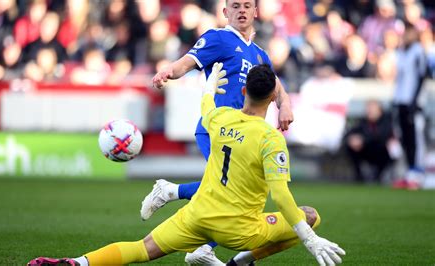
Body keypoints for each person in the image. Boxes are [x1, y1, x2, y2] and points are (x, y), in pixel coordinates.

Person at [27, 63, 345, 266]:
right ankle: (240, 263)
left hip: (196, 217)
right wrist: (309, 239)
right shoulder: (271, 139)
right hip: (240, 232)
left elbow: (207, 104)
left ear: (244, 91)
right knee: (311, 216)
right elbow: (282, 197)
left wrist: (208, 86)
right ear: (274, 95)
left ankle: (76, 263)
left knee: (141, 249)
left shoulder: (221, 117)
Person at [143, 0, 293, 263]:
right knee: (229, 188)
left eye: (247, 5)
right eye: (235, 6)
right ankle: (180, 208)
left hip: (244, 134)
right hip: (217, 128)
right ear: (225, 12)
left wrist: (285, 106)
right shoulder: (219, 38)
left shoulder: (260, 54)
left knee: (229, 188)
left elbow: (277, 87)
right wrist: (168, 71)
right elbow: (187, 62)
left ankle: (184, 212)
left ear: (256, 12)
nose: (242, 10)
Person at [392, 24, 428, 190]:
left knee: (415, 138)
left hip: (413, 102)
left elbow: (422, 76)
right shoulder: (401, 52)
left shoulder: (418, 51)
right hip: (401, 100)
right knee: (405, 138)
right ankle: (409, 171)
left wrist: (415, 101)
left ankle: (417, 172)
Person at [344, 100, 397, 183]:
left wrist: (363, 140)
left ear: (379, 109)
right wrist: (352, 139)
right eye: (368, 108)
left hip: (383, 152)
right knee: (350, 145)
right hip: (367, 152)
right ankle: (359, 176)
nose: (369, 111)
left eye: (371, 108)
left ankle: (379, 176)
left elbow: (382, 135)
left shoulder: (387, 120)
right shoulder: (364, 122)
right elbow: (351, 133)